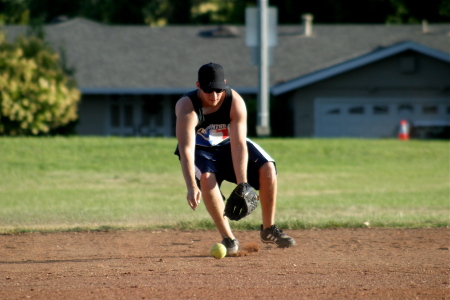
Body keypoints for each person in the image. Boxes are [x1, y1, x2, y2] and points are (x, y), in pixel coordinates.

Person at [175, 62, 295, 255]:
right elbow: (186, 149)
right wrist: (191, 186)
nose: (213, 96)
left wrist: (243, 185)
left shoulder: (234, 101)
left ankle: (268, 228)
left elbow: (239, 144)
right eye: (208, 91)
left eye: (218, 90)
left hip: (227, 144)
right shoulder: (187, 106)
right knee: (206, 179)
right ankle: (229, 238)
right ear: (198, 85)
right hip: (200, 149)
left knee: (268, 168)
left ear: (225, 84)